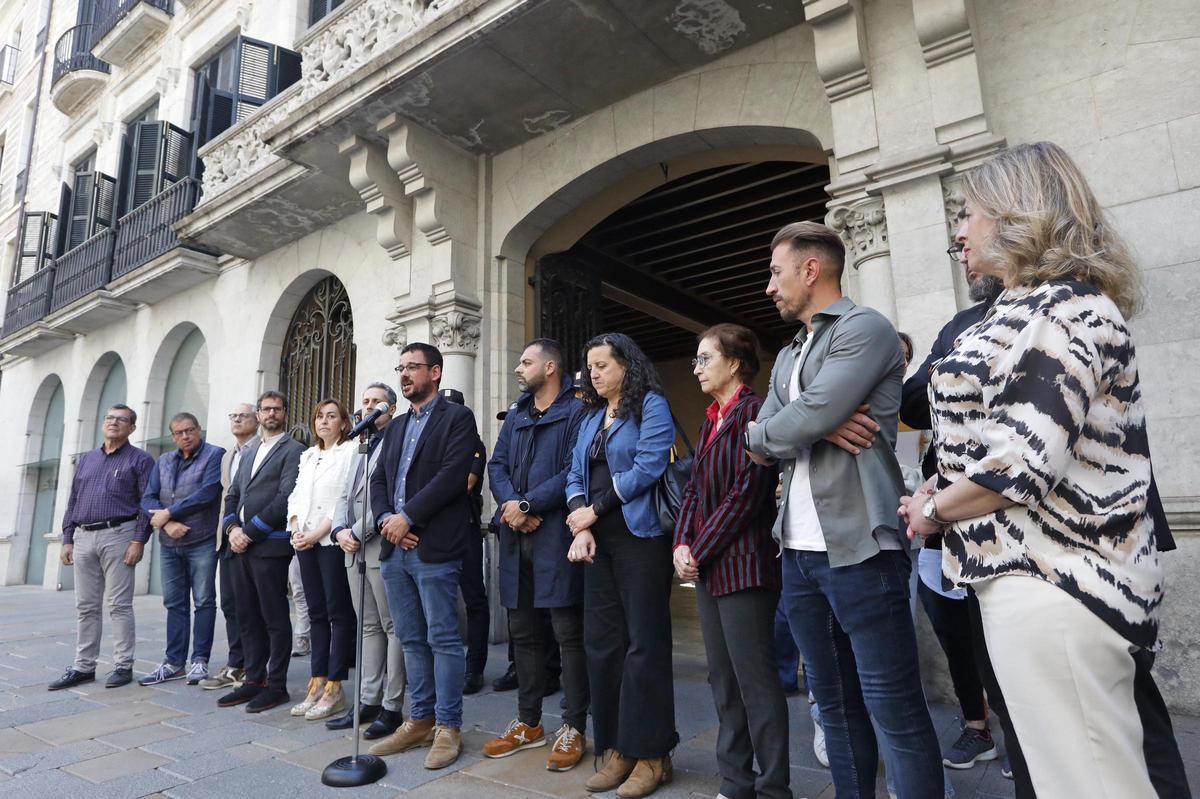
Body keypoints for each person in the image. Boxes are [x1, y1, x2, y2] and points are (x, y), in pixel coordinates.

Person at [901, 141, 1176, 797]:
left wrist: (931, 510)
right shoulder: (1027, 309)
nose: (958, 232)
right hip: (1030, 579)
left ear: (1015, 213)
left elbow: (1022, 465)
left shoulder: (1066, 307)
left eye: (967, 213)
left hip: (1060, 581)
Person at [745, 221, 943, 799]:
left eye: (776, 273)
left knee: (894, 707)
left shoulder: (866, 329)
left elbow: (796, 420)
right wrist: (807, 424)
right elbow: (759, 441)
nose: (769, 287)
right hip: (798, 550)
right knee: (831, 706)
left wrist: (801, 422)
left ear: (812, 270)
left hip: (863, 544)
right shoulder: (787, 353)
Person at [900, 256, 1012, 779]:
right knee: (955, 634)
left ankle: (1023, 738)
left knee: (1001, 638)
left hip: (1002, 521)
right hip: (941, 521)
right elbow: (915, 402)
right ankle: (977, 726)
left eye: (968, 226)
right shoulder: (959, 326)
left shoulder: (1059, 311)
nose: (960, 246)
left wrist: (933, 505)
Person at [673, 324, 790, 799]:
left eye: (705, 358)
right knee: (722, 680)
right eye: (696, 361)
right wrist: (681, 544)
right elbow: (695, 490)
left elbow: (747, 495)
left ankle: (774, 786)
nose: (698, 368)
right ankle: (735, 781)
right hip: (708, 566)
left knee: (756, 683)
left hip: (744, 565)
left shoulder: (754, 413)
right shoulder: (710, 419)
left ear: (735, 362)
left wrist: (696, 549)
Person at [566, 332, 678, 799]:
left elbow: (649, 465)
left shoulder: (650, 405)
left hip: (639, 536)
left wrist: (597, 509)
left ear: (626, 366)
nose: (594, 373)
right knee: (602, 644)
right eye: (590, 366)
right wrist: (583, 524)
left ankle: (652, 753)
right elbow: (575, 472)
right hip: (597, 540)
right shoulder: (591, 415)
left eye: (602, 365)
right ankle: (615, 748)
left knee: (644, 644)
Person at [367, 343, 479, 770]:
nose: (404, 374)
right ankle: (420, 719)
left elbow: (453, 477)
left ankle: (448, 726)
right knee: (411, 638)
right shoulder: (393, 428)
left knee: (444, 638)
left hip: (434, 546)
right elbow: (378, 479)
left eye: (413, 367)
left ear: (435, 372)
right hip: (396, 548)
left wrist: (409, 517)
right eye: (401, 368)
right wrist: (386, 520)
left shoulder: (457, 418)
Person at [483, 338, 589, 771]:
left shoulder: (578, 412)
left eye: (525, 361)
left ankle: (574, 726)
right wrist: (513, 506)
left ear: (550, 367)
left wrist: (529, 505)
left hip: (556, 537)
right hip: (516, 537)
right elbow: (497, 466)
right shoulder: (518, 414)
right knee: (523, 633)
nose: (517, 368)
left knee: (568, 635)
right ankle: (528, 723)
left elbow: (574, 470)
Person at [49, 404, 154, 691]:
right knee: (85, 606)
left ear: (132, 428)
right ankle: (84, 666)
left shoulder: (140, 460)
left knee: (119, 605)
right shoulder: (87, 460)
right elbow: (73, 500)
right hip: (83, 536)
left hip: (119, 535)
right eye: (109, 418)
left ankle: (123, 665)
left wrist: (138, 540)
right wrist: (67, 538)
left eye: (122, 420)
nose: (114, 423)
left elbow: (148, 503)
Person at [216, 390, 305, 712]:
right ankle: (253, 679)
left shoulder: (294, 450)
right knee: (247, 616)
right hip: (239, 546)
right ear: (258, 413)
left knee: (274, 617)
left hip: (269, 546)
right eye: (265, 409)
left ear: (284, 413)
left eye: (276, 409)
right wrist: (232, 529)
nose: (271, 414)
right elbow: (233, 494)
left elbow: (285, 498)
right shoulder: (251, 450)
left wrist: (249, 532)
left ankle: (276, 685)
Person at [327, 382, 406, 740]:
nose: (368, 407)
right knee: (368, 627)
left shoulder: (397, 438)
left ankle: (392, 706)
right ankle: (367, 700)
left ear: (390, 409)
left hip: (377, 545)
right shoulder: (360, 444)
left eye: (376, 401)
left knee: (393, 627)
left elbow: (386, 495)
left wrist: (359, 530)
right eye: (364, 401)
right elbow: (345, 493)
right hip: (351, 547)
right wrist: (340, 529)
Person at [139, 413, 225, 687]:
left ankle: (199, 661)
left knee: (203, 601)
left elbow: (208, 493)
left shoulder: (214, 455)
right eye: (178, 432)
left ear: (199, 429)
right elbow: (147, 498)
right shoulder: (163, 460)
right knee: (174, 604)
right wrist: (168, 523)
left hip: (201, 540)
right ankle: (174, 662)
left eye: (189, 430)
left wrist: (169, 513)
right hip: (169, 543)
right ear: (172, 436)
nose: (185, 436)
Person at [287, 399, 358, 721]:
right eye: (319, 416)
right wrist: (295, 528)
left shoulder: (351, 452)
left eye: (332, 417)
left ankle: (335, 685)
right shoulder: (308, 455)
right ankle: (316, 680)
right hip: (305, 541)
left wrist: (317, 533)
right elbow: (296, 495)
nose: (324, 422)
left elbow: (342, 498)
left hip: (330, 541)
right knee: (315, 611)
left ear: (344, 423)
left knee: (337, 611)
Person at [199, 404, 259, 692]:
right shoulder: (228, 455)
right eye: (232, 415)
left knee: (253, 608)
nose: (236, 419)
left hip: (254, 538)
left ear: (257, 419)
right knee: (231, 605)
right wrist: (228, 530)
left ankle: (252, 664)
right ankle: (237, 662)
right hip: (227, 536)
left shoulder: (262, 449)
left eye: (243, 415)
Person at [440, 387, 491, 696]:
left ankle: (475, 668)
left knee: (474, 599)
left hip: (464, 527)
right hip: (435, 530)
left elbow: (465, 483)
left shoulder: (474, 444)